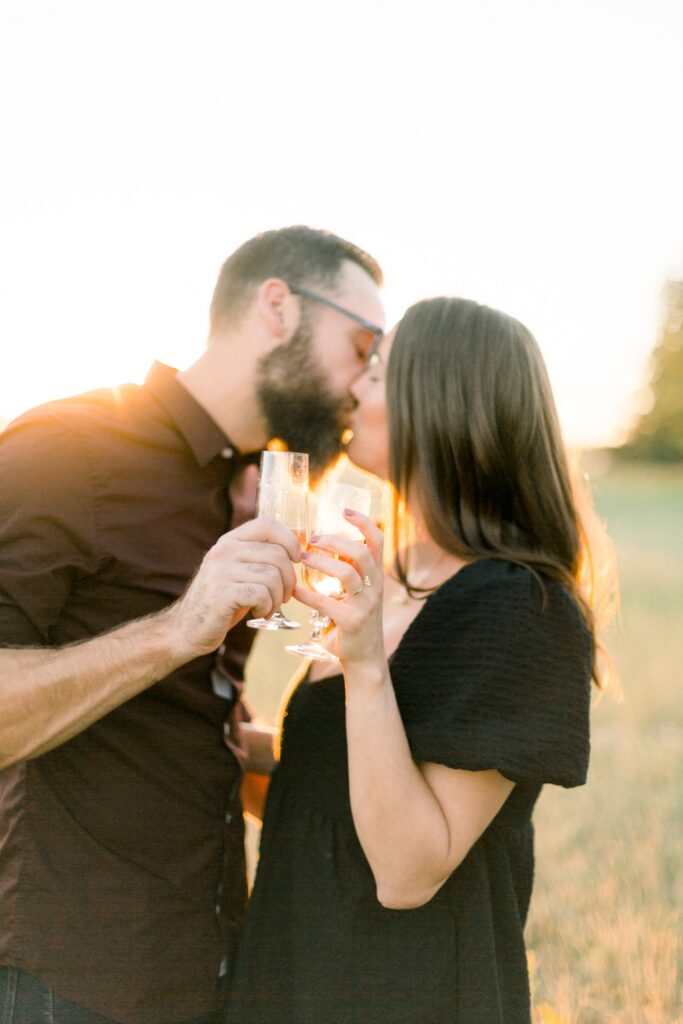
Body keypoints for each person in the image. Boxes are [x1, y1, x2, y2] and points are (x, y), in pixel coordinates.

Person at [0, 226, 385, 1024]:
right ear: (277, 307)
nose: (365, 379)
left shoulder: (250, 486)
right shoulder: (67, 452)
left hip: (205, 968)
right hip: (66, 981)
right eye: (361, 342)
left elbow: (184, 716)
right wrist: (177, 629)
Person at [225, 297, 614, 1024]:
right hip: (292, 979)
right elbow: (330, 793)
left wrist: (365, 662)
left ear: (434, 402)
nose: (354, 387)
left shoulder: (519, 608)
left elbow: (406, 870)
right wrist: (220, 740)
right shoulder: (392, 572)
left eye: (376, 371)